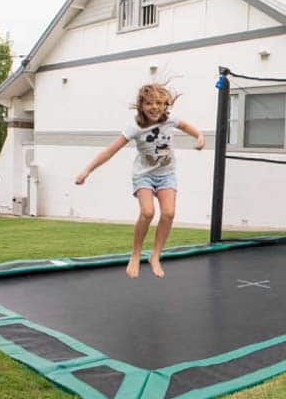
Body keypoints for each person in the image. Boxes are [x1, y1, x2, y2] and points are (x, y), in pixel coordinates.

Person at [75, 83, 205, 279]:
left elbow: (188, 127)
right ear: (141, 105)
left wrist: (200, 136)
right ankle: (135, 254)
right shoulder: (135, 127)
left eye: (159, 103)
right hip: (143, 174)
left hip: (166, 173)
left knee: (169, 213)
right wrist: (87, 170)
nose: (155, 107)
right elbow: (110, 151)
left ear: (165, 105)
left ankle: (155, 255)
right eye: (150, 103)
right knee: (147, 212)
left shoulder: (171, 120)